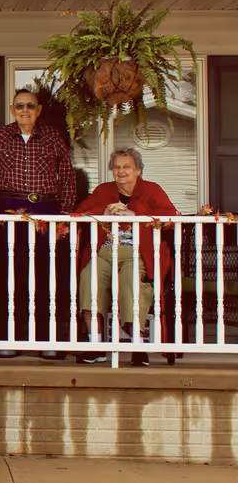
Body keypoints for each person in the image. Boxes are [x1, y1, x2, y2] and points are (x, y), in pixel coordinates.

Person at [0, 89, 77, 359]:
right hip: (8, 212)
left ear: (38, 109)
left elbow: (67, 177)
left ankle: (47, 340)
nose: (25, 110)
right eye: (20, 105)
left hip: (46, 210)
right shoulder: (1, 137)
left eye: (30, 105)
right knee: (11, 275)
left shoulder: (53, 137)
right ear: (13, 109)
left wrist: (64, 217)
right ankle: (8, 337)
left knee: (47, 277)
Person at [73, 148, 177, 367]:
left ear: (138, 170)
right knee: (89, 277)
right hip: (104, 251)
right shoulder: (103, 191)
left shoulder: (152, 190)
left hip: (137, 252)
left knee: (130, 278)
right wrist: (104, 213)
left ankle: (136, 343)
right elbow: (80, 214)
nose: (121, 171)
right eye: (117, 166)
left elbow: (170, 217)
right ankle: (95, 345)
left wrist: (135, 215)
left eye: (127, 167)